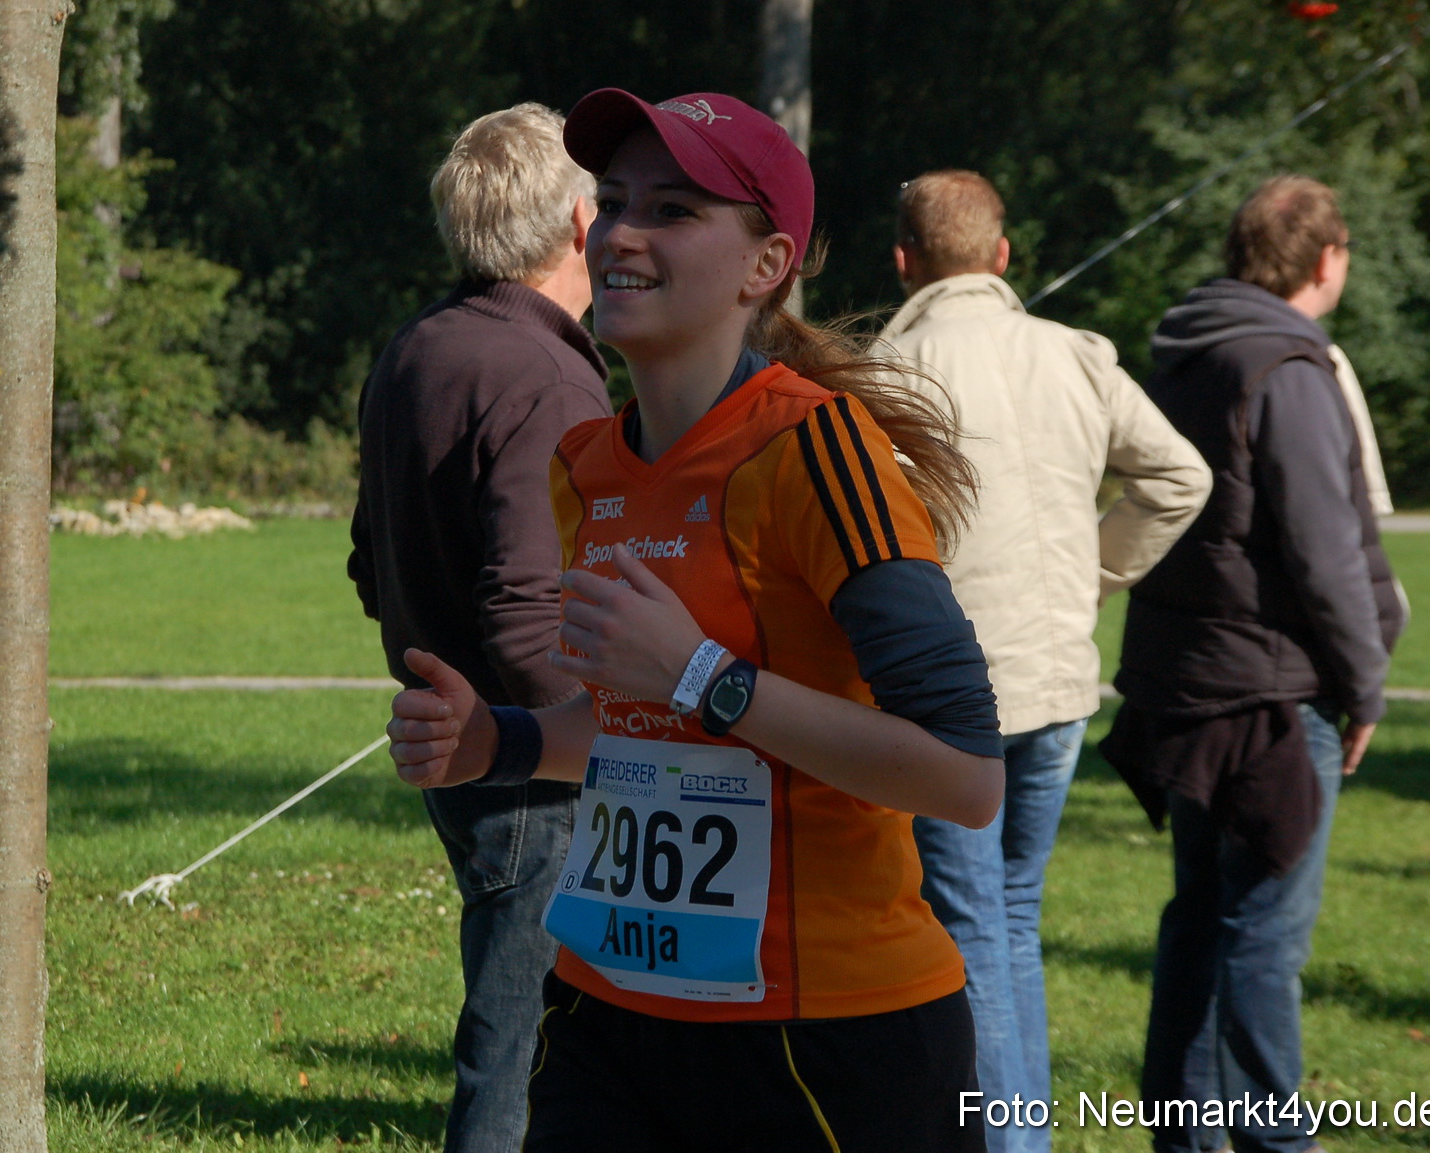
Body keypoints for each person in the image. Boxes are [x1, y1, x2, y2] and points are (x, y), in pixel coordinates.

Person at [387, 88, 1006, 1153]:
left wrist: (705, 676)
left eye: (673, 210)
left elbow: (963, 772)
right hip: (604, 1013)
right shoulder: (591, 465)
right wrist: (503, 742)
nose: (622, 232)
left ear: (766, 266)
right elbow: (639, 735)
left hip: (824, 1041)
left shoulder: (820, 454)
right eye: (615, 201)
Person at [875, 170, 1211, 1153]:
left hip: (951, 693)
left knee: (976, 926)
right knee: (1009, 919)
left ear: (903, 261)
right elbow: (1180, 475)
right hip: (1060, 681)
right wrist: (1098, 570)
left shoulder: (892, 366)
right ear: (1003, 255)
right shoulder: (1076, 353)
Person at [1101, 175, 1405, 1153]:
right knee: (1263, 931)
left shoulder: (1187, 350)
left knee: (1203, 916)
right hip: (1271, 692)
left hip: (1189, 680)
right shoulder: (1287, 366)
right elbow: (1327, 552)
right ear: (1327, 260)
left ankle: (1184, 1135)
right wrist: (1364, 687)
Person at [346, 103, 610, 1153]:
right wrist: (586, 738)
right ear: (584, 223)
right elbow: (523, 602)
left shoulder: (419, 344)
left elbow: (372, 560)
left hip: (455, 732)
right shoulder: (544, 373)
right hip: (525, 760)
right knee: (520, 1044)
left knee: (532, 1027)